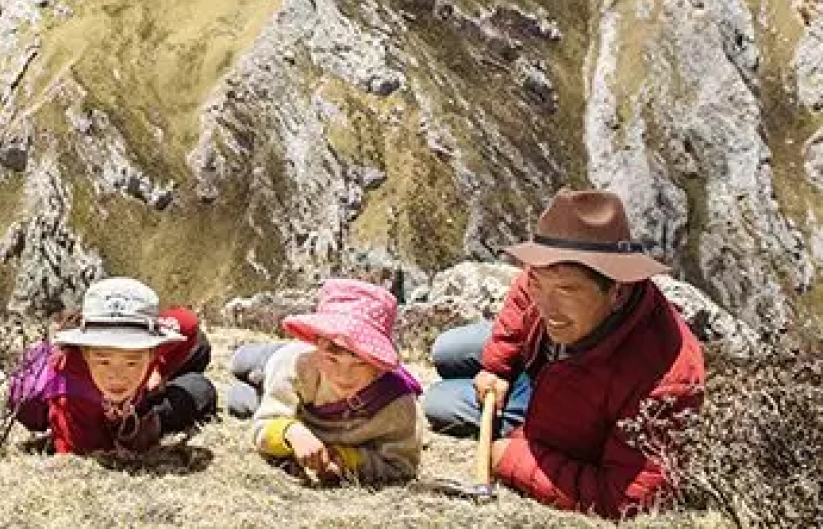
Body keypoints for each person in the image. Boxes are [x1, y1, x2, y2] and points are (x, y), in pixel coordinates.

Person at [423, 189, 706, 518]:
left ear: (617, 291)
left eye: (567, 291)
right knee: (447, 349)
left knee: (440, 402)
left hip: (566, 415)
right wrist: (497, 368)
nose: (545, 306)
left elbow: (628, 498)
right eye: (539, 284)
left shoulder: (664, 380)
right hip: (541, 364)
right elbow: (521, 300)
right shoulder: (549, 277)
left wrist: (512, 458)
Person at [229, 279, 421, 485]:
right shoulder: (294, 365)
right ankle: (254, 361)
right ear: (317, 346)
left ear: (378, 366)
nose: (344, 375)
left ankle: (259, 389)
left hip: (292, 390)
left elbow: (402, 465)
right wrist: (292, 433)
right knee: (240, 362)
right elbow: (263, 428)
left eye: (359, 365)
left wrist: (347, 461)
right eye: (333, 359)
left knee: (239, 401)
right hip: (280, 361)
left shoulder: (396, 403)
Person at [10, 276, 217, 455]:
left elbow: (188, 321)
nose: (117, 376)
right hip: (120, 410)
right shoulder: (72, 396)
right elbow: (82, 452)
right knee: (200, 389)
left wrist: (159, 371)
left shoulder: (149, 348)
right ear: (85, 352)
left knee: (200, 348)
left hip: (143, 381)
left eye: (130, 361)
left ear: (153, 349)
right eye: (104, 361)